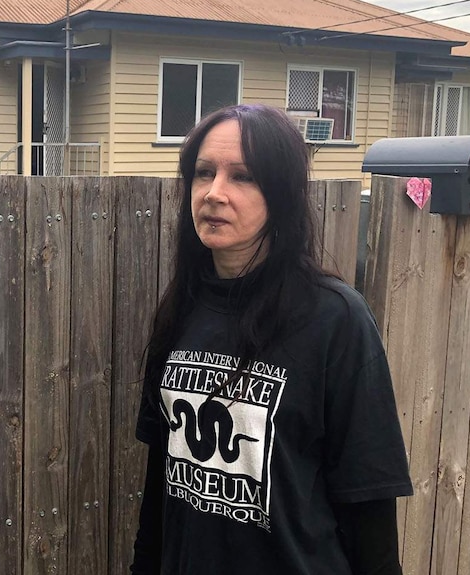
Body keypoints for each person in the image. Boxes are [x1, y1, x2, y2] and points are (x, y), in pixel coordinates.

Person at [130, 104, 413, 574]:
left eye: (241, 177)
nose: (214, 193)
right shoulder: (181, 311)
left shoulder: (335, 319)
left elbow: (370, 509)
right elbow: (160, 490)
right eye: (204, 173)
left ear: (280, 194)